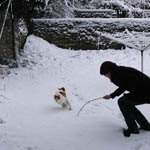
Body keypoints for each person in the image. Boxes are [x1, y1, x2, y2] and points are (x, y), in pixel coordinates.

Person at [100, 61, 150, 137]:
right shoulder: (120, 70)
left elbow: (123, 86)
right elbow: (126, 84)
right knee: (126, 103)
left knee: (122, 102)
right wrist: (111, 95)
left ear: (109, 72)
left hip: (145, 93)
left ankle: (133, 128)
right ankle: (145, 125)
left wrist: (111, 95)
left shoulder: (117, 75)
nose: (106, 76)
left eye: (105, 75)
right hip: (144, 91)